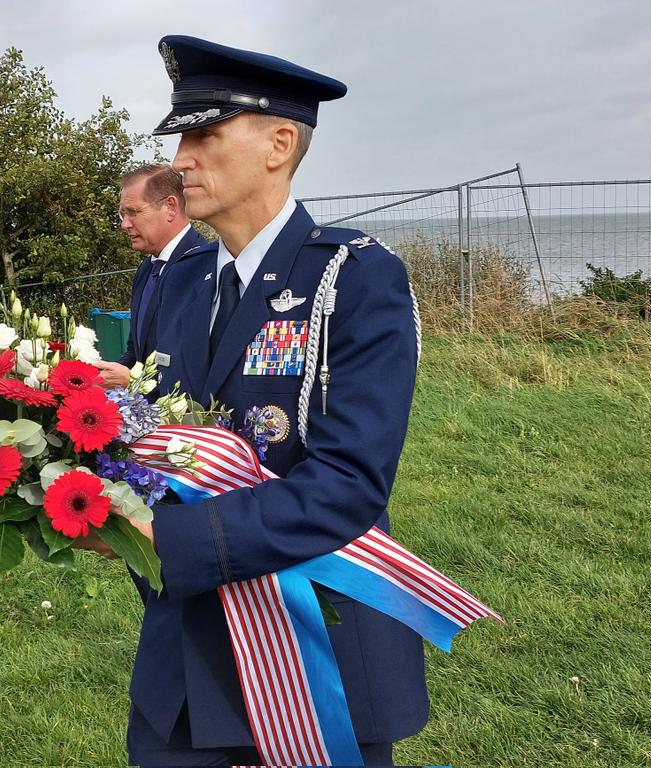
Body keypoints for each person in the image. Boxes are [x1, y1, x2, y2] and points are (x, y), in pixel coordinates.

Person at [119, 36, 428, 766]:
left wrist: (171, 543)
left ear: (279, 143)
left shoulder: (354, 279)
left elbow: (349, 482)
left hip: (315, 652)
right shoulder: (186, 282)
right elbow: (167, 436)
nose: (181, 158)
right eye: (180, 137)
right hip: (188, 658)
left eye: (205, 134)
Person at [94, 163, 207, 389]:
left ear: (170, 207)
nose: (124, 224)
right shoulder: (147, 269)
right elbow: (136, 352)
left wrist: (135, 382)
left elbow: (201, 368)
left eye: (133, 212)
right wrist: (99, 374)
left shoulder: (206, 269)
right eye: (122, 214)